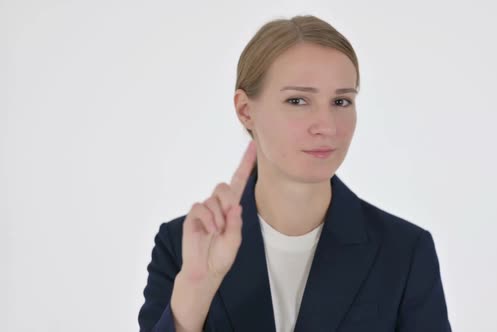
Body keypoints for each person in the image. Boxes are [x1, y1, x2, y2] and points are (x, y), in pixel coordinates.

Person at [138, 15, 452, 332]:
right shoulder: (183, 246)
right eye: (298, 100)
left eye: (341, 101)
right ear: (246, 110)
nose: (327, 126)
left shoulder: (404, 251)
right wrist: (196, 288)